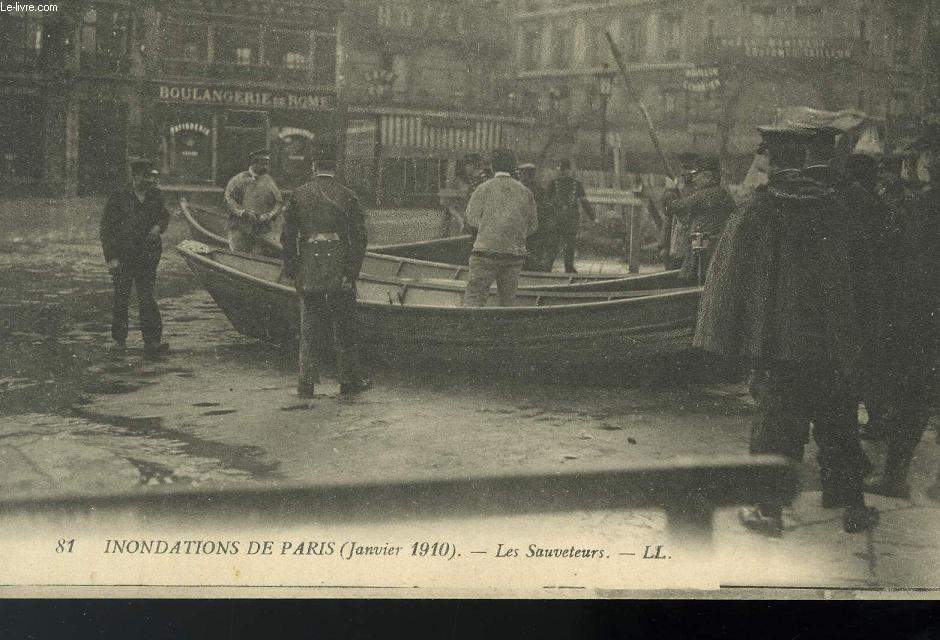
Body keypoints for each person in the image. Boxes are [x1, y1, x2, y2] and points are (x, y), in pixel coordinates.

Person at [694, 125, 879, 537]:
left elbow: (727, 278)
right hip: (833, 343)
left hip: (778, 345)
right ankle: (853, 508)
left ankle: (770, 512)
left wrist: (726, 340)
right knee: (840, 424)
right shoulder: (840, 207)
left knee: (776, 427)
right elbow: (868, 275)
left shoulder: (760, 210)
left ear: (779, 160)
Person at [865, 129, 939, 499]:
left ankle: (895, 476)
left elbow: (901, 264)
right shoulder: (920, 205)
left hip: (922, 317)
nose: (927, 165)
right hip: (923, 315)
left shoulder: (922, 208)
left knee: (913, 397)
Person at [281, 148, 370, 398]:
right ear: (336, 168)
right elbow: (360, 239)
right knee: (344, 326)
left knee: (309, 325)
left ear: (313, 167)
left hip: (309, 265)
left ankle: (306, 383)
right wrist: (350, 273)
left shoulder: (298, 195)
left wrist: (293, 269)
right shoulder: (348, 195)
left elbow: (287, 237)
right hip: (340, 267)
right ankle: (348, 381)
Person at [99, 158, 170, 359]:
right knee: (121, 297)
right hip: (124, 256)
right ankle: (119, 340)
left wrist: (159, 227)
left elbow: (164, 216)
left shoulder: (156, 195)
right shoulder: (119, 196)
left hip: (148, 256)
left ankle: (152, 341)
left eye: (151, 176)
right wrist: (111, 258)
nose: (149, 180)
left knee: (147, 297)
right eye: (145, 176)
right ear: (135, 176)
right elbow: (106, 229)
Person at [462, 148, 538, 307]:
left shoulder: (483, 188)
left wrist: (489, 229)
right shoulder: (525, 192)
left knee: (474, 298)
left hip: (485, 253)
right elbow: (532, 226)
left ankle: (471, 328)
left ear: (493, 167)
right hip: (514, 255)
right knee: (508, 301)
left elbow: (471, 220)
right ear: (514, 168)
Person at [665, 155, 735, 283]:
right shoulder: (722, 194)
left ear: (708, 176)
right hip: (714, 251)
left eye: (698, 175)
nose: (694, 179)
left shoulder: (705, 195)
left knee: (692, 280)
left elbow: (676, 207)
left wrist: (670, 191)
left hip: (703, 253)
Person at [224, 148, 283, 253]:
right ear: (254, 163)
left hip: (261, 230)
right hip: (239, 228)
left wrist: (268, 215)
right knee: (239, 255)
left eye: (267, 164)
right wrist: (242, 212)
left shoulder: (269, 181)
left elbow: (278, 203)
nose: (266, 167)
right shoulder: (239, 179)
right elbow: (229, 199)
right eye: (263, 163)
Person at [544, 159, 596, 273]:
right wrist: (593, 217)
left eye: (562, 169)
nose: (563, 172)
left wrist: (547, 217)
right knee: (569, 243)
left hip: (557, 217)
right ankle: (568, 267)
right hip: (570, 217)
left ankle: (548, 267)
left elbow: (546, 202)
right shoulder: (576, 183)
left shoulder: (553, 182)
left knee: (554, 243)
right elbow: (584, 202)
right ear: (569, 169)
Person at [658, 152, 699, 269]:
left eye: (689, 168)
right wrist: (663, 245)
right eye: (683, 168)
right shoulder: (676, 188)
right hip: (674, 239)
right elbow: (667, 215)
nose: (685, 172)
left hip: (690, 239)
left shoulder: (698, 189)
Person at [517, 162, 553, 272]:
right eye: (521, 173)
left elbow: (544, 208)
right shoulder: (538, 189)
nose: (521, 176)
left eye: (523, 174)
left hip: (530, 226)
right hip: (531, 226)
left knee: (530, 251)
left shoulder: (527, 189)